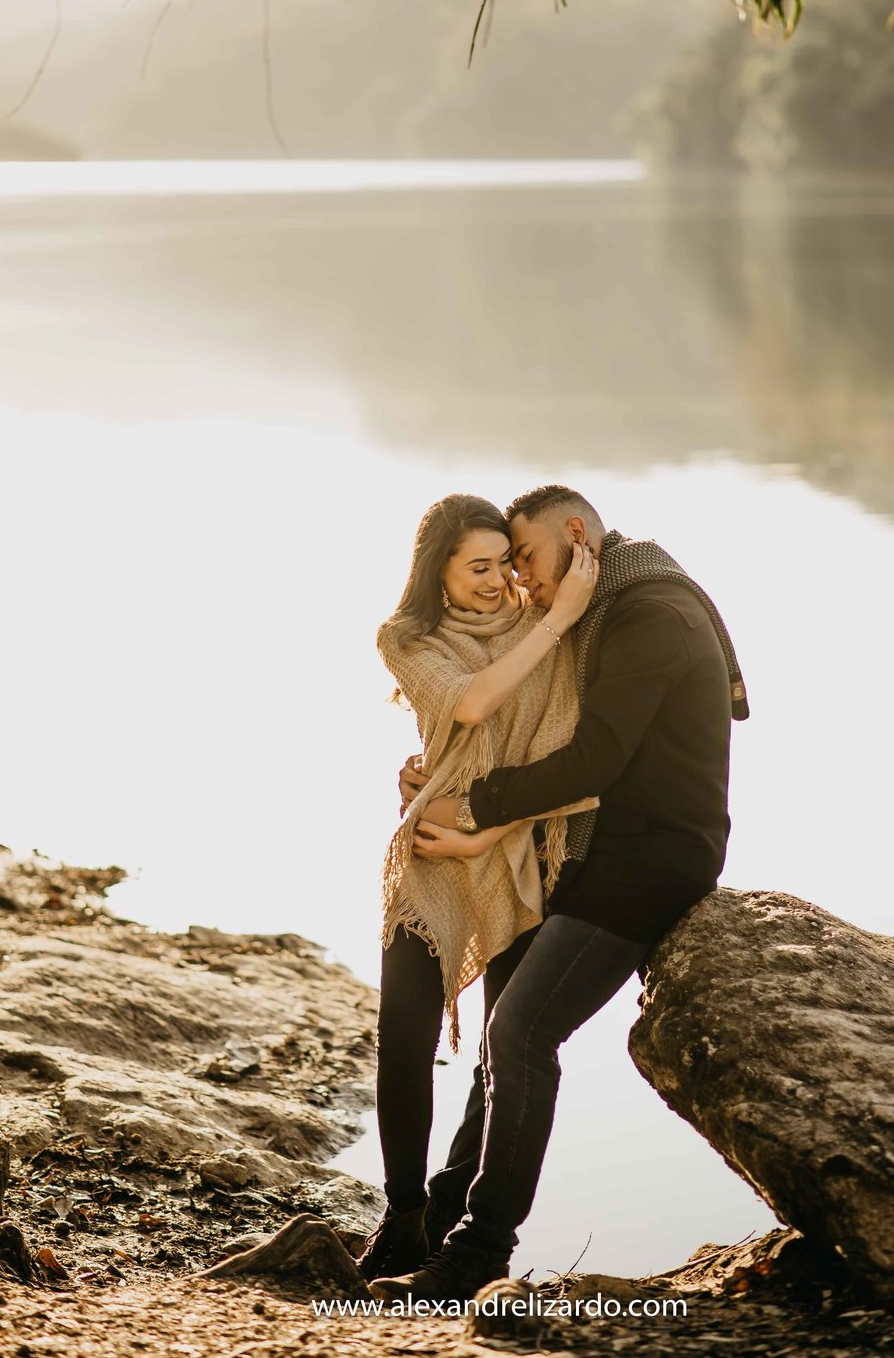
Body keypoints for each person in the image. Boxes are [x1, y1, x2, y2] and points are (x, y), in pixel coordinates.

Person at [370, 483, 748, 1309]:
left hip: (648, 862)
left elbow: (595, 757)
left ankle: (475, 1253)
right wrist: (440, 773)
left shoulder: (646, 612)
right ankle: (438, 1221)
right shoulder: (613, 603)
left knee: (518, 1032)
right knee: (511, 1036)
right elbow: (516, 722)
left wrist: (472, 815)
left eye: (527, 560)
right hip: (599, 851)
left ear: (575, 535)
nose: (524, 583)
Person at [359, 492, 600, 1282]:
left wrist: (555, 621)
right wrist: (557, 621)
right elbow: (466, 704)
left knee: (504, 1051)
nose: (498, 581)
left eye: (504, 563)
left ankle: (452, 1204)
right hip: (433, 856)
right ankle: (401, 1216)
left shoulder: (545, 628)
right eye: (478, 567)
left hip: (522, 857)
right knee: (404, 1038)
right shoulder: (408, 637)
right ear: (441, 571)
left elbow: (577, 763)